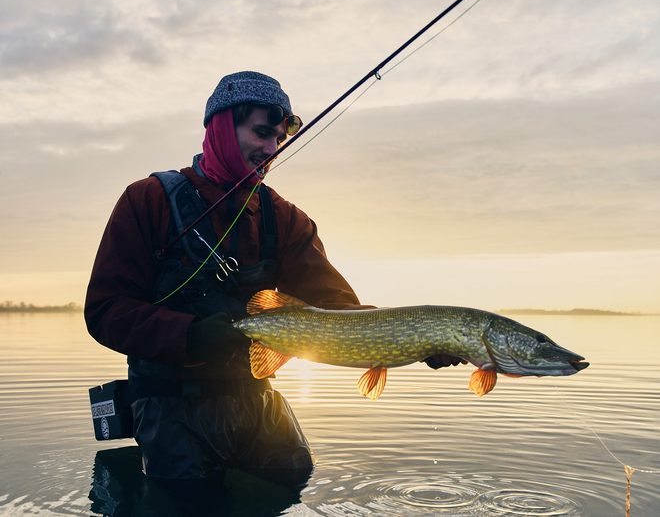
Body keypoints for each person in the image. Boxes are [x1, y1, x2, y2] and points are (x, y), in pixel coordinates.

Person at [85, 70, 462, 495]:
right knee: (188, 499)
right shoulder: (147, 200)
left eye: (278, 140)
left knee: (293, 478)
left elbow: (337, 310)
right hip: (169, 402)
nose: (270, 150)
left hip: (254, 395)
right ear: (221, 128)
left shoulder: (285, 218)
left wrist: (420, 339)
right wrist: (190, 336)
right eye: (261, 133)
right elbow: (106, 310)